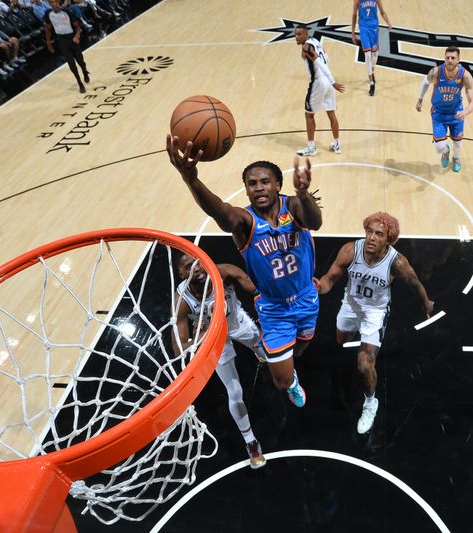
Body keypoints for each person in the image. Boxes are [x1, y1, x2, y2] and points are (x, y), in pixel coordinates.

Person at [166, 135, 322, 410]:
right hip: (274, 309)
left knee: (302, 345)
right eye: (252, 184)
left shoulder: (294, 206)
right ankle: (293, 379)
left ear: (278, 185)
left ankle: (290, 354)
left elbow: (315, 222)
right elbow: (220, 212)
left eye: (265, 182)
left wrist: (304, 195)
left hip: (307, 295)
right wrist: (191, 179)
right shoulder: (244, 221)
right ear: (246, 190)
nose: (259, 188)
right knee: (282, 381)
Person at [313, 212, 434, 434]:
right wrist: (319, 287)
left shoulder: (396, 262)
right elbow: (330, 279)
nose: (371, 237)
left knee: (364, 365)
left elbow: (414, 282)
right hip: (350, 304)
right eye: (369, 231)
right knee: (340, 339)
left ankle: (370, 403)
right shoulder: (351, 250)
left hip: (375, 313)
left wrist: (426, 301)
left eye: (379, 234)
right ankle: (349, 349)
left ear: (388, 239)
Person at [172, 255, 268, 469]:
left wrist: (266, 297)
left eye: (198, 261)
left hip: (237, 324)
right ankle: (251, 442)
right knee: (234, 392)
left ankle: (289, 381)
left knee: (271, 354)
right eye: (189, 266)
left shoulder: (222, 271)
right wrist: (206, 332)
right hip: (215, 339)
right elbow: (178, 348)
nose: (197, 267)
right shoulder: (182, 301)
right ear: (182, 274)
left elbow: (254, 287)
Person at [415, 46, 473, 173]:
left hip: (455, 113)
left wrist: (464, 112)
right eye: (447, 57)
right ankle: (446, 151)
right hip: (439, 113)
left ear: (458, 59)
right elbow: (425, 82)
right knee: (439, 147)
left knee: (458, 144)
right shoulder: (436, 72)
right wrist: (420, 99)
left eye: (453, 58)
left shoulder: (465, 76)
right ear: (444, 58)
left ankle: (456, 157)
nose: (449, 60)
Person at [294, 24, 346, 157]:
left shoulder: (306, 47)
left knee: (309, 114)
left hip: (319, 82)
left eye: (299, 34)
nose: (296, 37)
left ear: (306, 34)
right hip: (327, 81)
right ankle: (336, 144)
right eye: (295, 34)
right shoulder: (316, 41)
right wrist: (331, 81)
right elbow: (326, 57)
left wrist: (333, 81)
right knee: (331, 113)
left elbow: (320, 63)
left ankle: (311, 148)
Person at [43, 0, 90, 93]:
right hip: (61, 40)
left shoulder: (67, 12)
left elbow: (78, 27)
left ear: (59, 3)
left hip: (72, 37)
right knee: (71, 64)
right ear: (49, 4)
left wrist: (77, 36)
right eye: (52, 2)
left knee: (80, 60)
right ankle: (80, 83)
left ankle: (84, 71)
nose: (54, 4)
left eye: (56, 2)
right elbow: (48, 29)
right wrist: (48, 43)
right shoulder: (48, 14)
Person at [351, 0, 392, 96]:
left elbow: (382, 12)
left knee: (375, 54)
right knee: (368, 55)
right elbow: (354, 14)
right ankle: (371, 84)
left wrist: (388, 22)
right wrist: (352, 32)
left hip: (374, 27)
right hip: (363, 27)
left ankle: (371, 71)